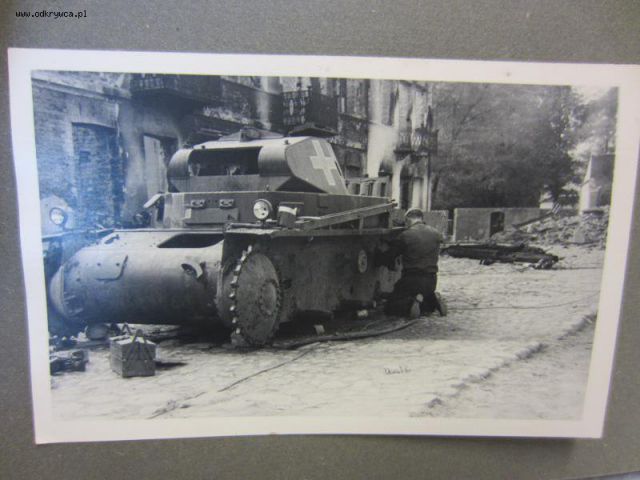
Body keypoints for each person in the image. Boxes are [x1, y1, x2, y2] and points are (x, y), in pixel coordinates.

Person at [384, 208, 444, 318]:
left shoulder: (406, 235)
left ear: (408, 220)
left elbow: (391, 255)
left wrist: (380, 256)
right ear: (421, 218)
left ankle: (412, 303)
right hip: (432, 280)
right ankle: (432, 300)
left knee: (390, 306)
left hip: (412, 279)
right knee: (424, 302)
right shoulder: (436, 233)